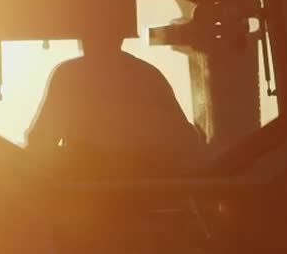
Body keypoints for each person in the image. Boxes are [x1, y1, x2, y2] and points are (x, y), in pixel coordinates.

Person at [26, 25, 201, 168]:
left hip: (86, 192)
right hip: (143, 193)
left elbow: (40, 142)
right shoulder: (147, 75)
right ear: (121, 36)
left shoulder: (69, 76)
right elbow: (185, 142)